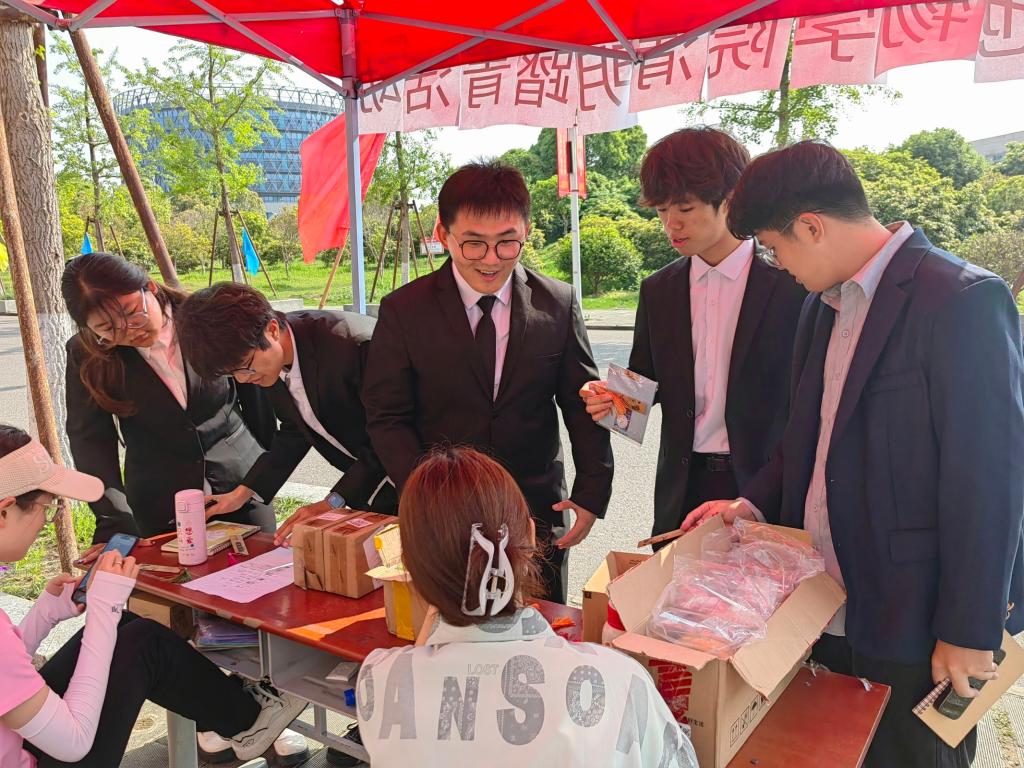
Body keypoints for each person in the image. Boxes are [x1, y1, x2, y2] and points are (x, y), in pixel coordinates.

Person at [681, 141, 1024, 767]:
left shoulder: (960, 299)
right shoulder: (822, 307)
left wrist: (969, 629)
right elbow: (805, 438)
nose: (776, 264)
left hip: (913, 617)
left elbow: (991, 479)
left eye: (774, 247)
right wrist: (750, 504)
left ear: (811, 227)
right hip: (823, 603)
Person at [362, 162, 613, 603]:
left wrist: (592, 491)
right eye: (473, 243)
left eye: (507, 242)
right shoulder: (405, 310)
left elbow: (581, 403)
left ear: (526, 232)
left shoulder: (557, 302)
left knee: (542, 622)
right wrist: (424, 492)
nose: (491, 259)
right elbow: (387, 416)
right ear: (443, 234)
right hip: (443, 508)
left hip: (535, 507)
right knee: (450, 619)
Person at [356, 446, 697, 767]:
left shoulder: (380, 679)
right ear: (531, 538)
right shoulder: (618, 682)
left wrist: (440, 603)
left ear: (408, 567)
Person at [0, 425, 306, 767]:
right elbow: (74, 742)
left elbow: (6, 673)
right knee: (143, 642)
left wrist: (46, 613)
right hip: (54, 747)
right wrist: (104, 608)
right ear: (4, 512)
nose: (45, 520)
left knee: (130, 628)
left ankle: (244, 717)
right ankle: (251, 721)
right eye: (46, 507)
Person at [579, 127, 805, 541]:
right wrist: (610, 400)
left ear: (731, 199)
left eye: (684, 207)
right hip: (683, 486)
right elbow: (646, 387)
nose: (671, 224)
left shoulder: (792, 283)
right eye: (661, 210)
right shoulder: (659, 289)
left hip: (766, 486)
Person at [61, 253, 276, 542]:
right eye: (108, 329)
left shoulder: (207, 319)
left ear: (150, 287)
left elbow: (257, 397)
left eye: (132, 312)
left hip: (240, 486)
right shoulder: (88, 354)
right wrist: (114, 516)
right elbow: (90, 441)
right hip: (160, 503)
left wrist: (263, 474)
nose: (130, 331)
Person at [175, 282, 396, 544]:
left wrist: (334, 502)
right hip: (375, 487)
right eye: (232, 375)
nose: (244, 379)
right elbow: (295, 429)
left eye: (244, 366)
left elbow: (393, 433)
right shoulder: (271, 363)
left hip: (418, 479)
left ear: (271, 329)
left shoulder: (352, 345)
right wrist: (242, 493)